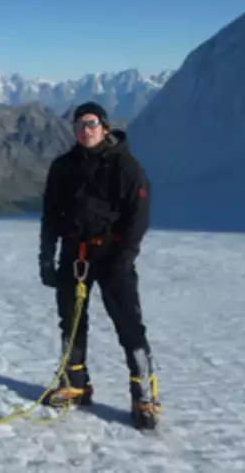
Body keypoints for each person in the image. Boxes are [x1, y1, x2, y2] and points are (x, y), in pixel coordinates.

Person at [38, 101, 160, 429]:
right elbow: (51, 215)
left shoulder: (125, 165)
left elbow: (138, 216)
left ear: (104, 127)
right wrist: (47, 257)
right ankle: (75, 385)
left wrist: (124, 257)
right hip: (74, 254)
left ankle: (144, 396)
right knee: (71, 322)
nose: (85, 130)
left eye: (91, 124)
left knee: (128, 325)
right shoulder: (63, 166)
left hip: (111, 255)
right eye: (79, 125)